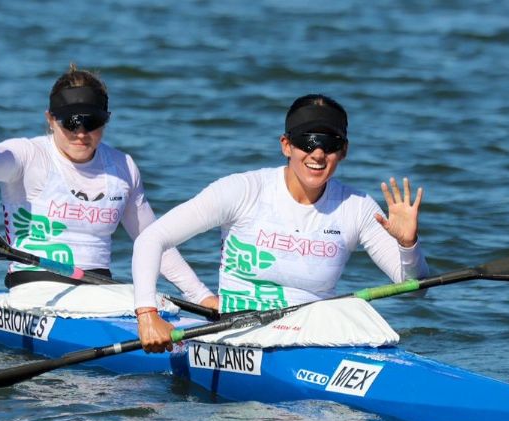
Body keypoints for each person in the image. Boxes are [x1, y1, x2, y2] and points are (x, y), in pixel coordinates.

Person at [132, 93, 430, 352]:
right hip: (239, 332)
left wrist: (408, 246)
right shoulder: (243, 191)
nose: (317, 153)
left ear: (344, 151)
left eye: (329, 143)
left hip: (313, 336)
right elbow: (150, 239)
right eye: (306, 141)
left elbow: (415, 290)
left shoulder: (358, 208)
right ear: (286, 145)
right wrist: (148, 314)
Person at [0, 64, 218, 308]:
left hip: (100, 292)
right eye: (70, 121)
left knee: (157, 305)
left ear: (107, 120)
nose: (81, 132)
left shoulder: (122, 167)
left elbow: (153, 241)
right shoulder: (29, 156)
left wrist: (203, 297)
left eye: (91, 122)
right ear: (50, 119)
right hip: (35, 291)